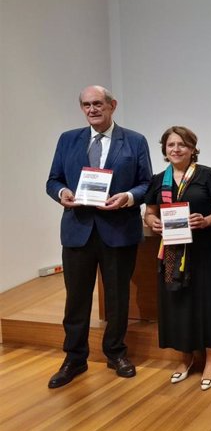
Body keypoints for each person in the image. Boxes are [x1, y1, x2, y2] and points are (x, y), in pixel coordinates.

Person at [46, 85, 153, 388]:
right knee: (76, 299)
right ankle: (74, 358)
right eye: (86, 105)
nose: (92, 109)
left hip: (118, 230)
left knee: (118, 297)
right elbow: (53, 180)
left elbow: (146, 183)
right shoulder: (68, 140)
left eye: (98, 104)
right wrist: (62, 192)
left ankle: (116, 352)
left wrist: (129, 198)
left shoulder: (134, 141)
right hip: (78, 230)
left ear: (112, 105)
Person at [144, 126, 211, 390]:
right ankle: (185, 357)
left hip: (205, 248)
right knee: (176, 301)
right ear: (164, 150)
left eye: (182, 145)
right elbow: (150, 211)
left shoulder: (208, 175)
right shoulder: (159, 179)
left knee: (207, 302)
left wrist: (207, 220)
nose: (176, 149)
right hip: (172, 251)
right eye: (171, 145)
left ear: (192, 149)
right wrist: (152, 222)